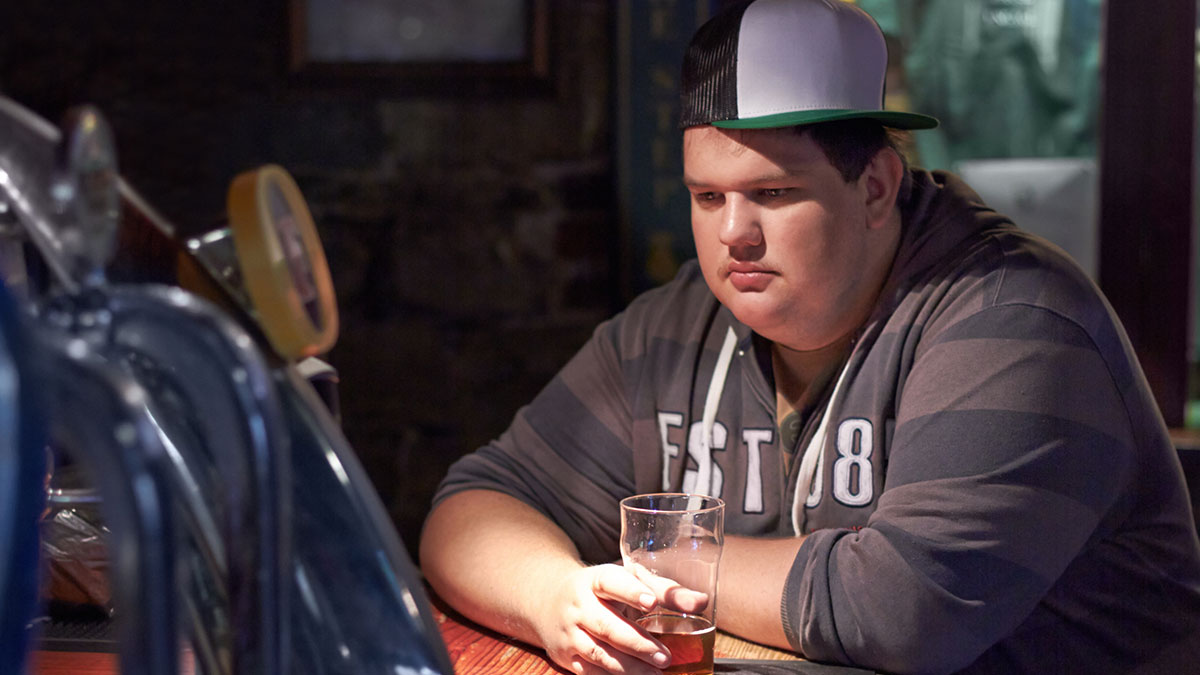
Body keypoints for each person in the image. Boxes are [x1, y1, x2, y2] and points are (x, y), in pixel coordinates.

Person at [419, 1, 1200, 673]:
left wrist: (657, 555)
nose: (733, 233)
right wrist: (555, 592)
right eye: (707, 195)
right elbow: (472, 506)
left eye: (772, 192)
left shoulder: (1014, 318)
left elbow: (904, 610)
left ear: (876, 187)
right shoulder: (675, 324)